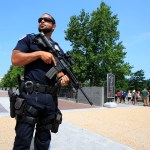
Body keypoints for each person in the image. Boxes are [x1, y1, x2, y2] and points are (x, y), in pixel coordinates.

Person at [11, 13, 69, 150]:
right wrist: (39, 54)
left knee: (43, 142)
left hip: (50, 99)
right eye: (40, 20)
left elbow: (59, 70)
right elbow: (15, 59)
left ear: (54, 26)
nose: (42, 21)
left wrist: (62, 77)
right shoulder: (30, 39)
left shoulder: (57, 47)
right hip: (31, 96)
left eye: (46, 20)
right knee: (23, 140)